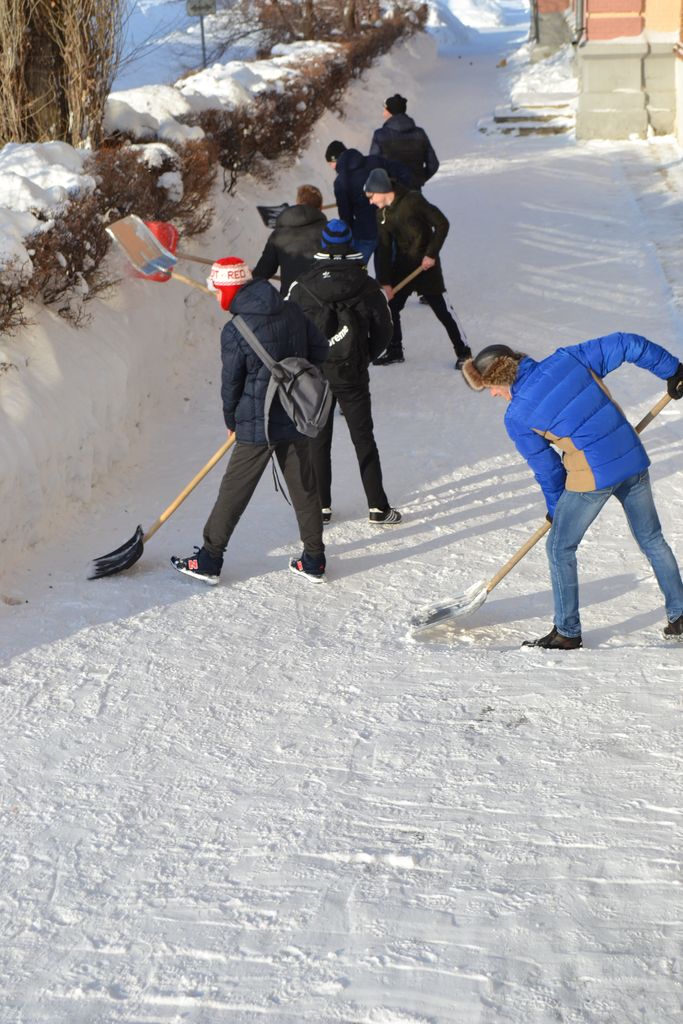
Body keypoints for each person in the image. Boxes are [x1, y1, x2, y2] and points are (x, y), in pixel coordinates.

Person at [462, 334, 683, 647]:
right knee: (651, 538)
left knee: (559, 547)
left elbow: (549, 470)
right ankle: (681, 613)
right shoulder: (569, 358)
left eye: (491, 388)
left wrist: (557, 509)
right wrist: (674, 371)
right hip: (632, 458)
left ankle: (567, 632)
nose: (494, 394)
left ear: (500, 377)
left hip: (593, 476)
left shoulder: (517, 416)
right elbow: (627, 343)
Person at [171, 257, 329, 586]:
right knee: (305, 488)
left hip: (258, 421)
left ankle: (209, 559)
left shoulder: (236, 329)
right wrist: (292, 378)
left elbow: (232, 384)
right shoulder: (291, 309)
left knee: (234, 490)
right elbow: (320, 350)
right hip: (295, 410)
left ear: (229, 290)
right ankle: (314, 559)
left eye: (218, 291)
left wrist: (231, 419)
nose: (216, 297)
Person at [287, 219, 401, 526]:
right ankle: (378, 506)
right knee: (363, 438)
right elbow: (385, 331)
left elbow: (289, 330)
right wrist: (364, 356)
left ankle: (321, 507)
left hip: (315, 375)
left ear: (322, 245)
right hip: (351, 372)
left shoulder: (302, 284)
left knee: (317, 439)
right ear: (350, 244)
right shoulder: (367, 285)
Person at [364, 167, 471, 369]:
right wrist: (385, 282)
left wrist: (431, 253)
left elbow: (442, 224)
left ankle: (464, 353)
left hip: (426, 267)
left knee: (443, 311)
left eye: (371, 196)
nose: (370, 201)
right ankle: (395, 350)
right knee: (391, 307)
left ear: (382, 190)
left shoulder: (413, 200)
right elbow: (384, 249)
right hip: (404, 266)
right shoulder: (382, 214)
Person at [325, 140, 412, 264]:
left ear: (336, 160)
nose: (332, 168)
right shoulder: (375, 161)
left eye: (330, 163)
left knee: (355, 269)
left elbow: (346, 214)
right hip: (389, 226)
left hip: (365, 233)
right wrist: (396, 196)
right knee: (389, 271)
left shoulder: (341, 181)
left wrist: (348, 237)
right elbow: (403, 172)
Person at [252, 184, 327, 294]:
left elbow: (263, 272)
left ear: (297, 204)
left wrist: (249, 279)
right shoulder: (330, 232)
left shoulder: (278, 235)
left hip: (291, 302)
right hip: (325, 301)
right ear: (321, 207)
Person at [369, 94, 439, 190]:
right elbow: (433, 164)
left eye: (385, 108)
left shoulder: (380, 134)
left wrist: (383, 182)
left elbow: (373, 163)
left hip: (390, 188)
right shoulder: (419, 133)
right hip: (414, 189)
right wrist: (418, 179)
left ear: (390, 111)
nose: (383, 111)